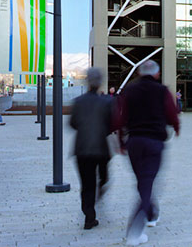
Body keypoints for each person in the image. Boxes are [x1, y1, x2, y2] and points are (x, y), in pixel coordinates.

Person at [116, 60, 179, 246]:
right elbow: (172, 113)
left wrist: (121, 141)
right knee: (147, 183)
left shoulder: (129, 91)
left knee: (143, 181)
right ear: (157, 74)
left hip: (134, 142)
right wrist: (176, 128)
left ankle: (151, 214)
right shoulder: (162, 91)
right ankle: (134, 232)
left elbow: (120, 118)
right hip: (154, 142)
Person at [70, 67, 112, 230]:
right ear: (100, 83)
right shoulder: (106, 102)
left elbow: (73, 123)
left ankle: (89, 216)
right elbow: (111, 124)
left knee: (86, 184)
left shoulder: (78, 102)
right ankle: (99, 191)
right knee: (103, 177)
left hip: (82, 149)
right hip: (101, 149)